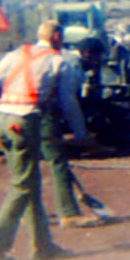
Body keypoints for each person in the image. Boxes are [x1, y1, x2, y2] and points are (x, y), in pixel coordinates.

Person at [0, 19, 94, 260]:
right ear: (58, 37)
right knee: (22, 187)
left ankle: (43, 246)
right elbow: (68, 103)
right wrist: (81, 135)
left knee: (30, 182)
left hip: (4, 120)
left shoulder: (16, 54)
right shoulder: (59, 62)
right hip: (26, 121)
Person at [42, 36, 105, 228]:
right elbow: (68, 102)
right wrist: (81, 135)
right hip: (42, 115)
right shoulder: (72, 66)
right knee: (58, 163)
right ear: (86, 53)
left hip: (17, 114)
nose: (96, 63)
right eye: (96, 58)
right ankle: (69, 214)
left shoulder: (62, 58)